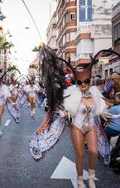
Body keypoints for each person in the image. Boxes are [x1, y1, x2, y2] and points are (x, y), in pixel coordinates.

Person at [29, 47, 111, 188]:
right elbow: (63, 108)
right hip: (77, 127)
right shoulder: (70, 94)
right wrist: (66, 113)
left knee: (93, 151)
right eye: (80, 82)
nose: (83, 84)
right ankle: (80, 180)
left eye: (86, 81)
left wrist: (104, 113)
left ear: (89, 80)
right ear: (76, 82)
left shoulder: (95, 94)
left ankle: (90, 178)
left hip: (91, 126)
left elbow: (99, 109)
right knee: (80, 155)